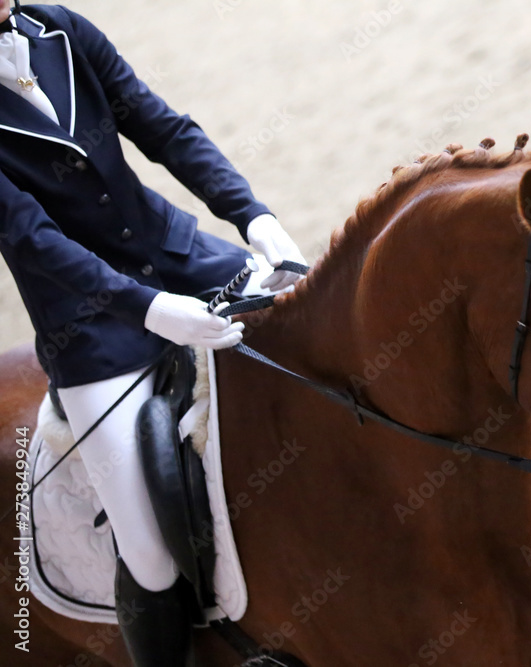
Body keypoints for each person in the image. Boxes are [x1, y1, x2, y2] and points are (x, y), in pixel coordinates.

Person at [0, 2, 306, 664]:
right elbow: (33, 239)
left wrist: (250, 213)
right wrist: (148, 309)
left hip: (180, 256)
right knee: (149, 552)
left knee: (315, 344)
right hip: (90, 328)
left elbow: (161, 126)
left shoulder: (58, 28)